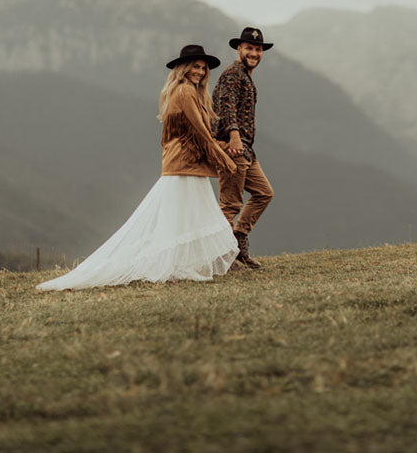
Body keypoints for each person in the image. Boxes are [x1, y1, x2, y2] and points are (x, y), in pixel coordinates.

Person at [37, 45, 238, 291]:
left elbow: (198, 134)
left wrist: (221, 149)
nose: (200, 71)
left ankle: (182, 265)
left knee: (185, 217)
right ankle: (177, 265)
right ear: (184, 69)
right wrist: (223, 158)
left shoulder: (186, 91)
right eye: (195, 66)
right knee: (191, 215)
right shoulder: (185, 91)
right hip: (185, 165)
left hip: (185, 164)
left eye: (203, 68)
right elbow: (201, 133)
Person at [213, 27, 275, 269]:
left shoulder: (245, 76)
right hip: (234, 148)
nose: (254, 53)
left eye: (258, 49)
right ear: (239, 49)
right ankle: (220, 258)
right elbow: (226, 106)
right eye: (249, 48)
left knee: (264, 193)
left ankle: (238, 239)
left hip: (247, 150)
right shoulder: (233, 74)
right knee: (230, 204)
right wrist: (234, 137)